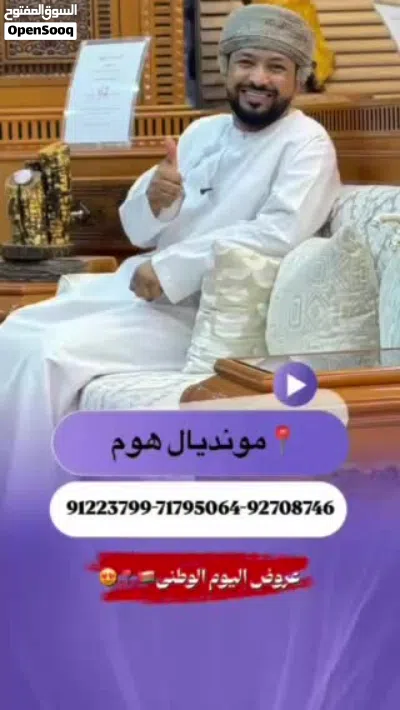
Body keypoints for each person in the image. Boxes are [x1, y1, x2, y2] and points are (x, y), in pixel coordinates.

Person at [0, 3, 341, 477]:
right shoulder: (203, 131)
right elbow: (138, 227)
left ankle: (29, 505)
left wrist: (171, 268)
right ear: (225, 68)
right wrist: (155, 200)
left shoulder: (307, 144)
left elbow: (279, 233)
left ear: (299, 78)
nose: (258, 79)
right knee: (15, 331)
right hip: (144, 298)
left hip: (207, 316)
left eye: (276, 67)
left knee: (47, 353)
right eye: (246, 62)